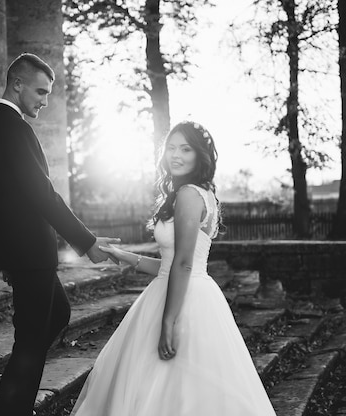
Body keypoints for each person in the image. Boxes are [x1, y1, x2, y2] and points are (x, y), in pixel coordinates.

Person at [71, 121, 277, 415]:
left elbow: (183, 263)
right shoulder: (197, 193)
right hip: (183, 288)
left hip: (184, 301)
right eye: (170, 148)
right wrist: (124, 255)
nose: (175, 155)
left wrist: (168, 321)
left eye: (185, 149)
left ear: (200, 156)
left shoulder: (189, 195)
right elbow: (170, 265)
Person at [0, 53, 119, 416]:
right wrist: (86, 242)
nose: (44, 100)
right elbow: (42, 193)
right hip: (28, 252)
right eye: (40, 91)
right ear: (16, 84)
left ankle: (5, 404)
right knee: (31, 339)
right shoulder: (12, 128)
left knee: (55, 318)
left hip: (19, 251)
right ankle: (10, 410)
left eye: (48, 93)